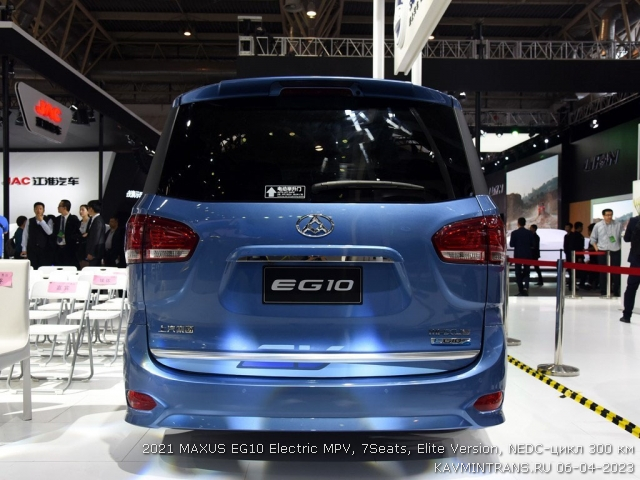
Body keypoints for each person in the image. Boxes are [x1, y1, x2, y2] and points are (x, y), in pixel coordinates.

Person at [590, 208, 622, 296]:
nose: (609, 217)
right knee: (603, 272)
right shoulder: (598, 225)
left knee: (616, 272)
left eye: (611, 215)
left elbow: (621, 238)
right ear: (603, 216)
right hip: (602, 251)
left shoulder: (618, 224)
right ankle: (603, 291)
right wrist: (596, 248)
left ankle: (616, 291)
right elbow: (593, 239)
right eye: (607, 215)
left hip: (615, 250)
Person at [21, 202, 54, 269]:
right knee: (33, 268)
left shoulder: (48, 220)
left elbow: (49, 232)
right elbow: (25, 235)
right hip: (32, 249)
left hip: (45, 249)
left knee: (44, 268)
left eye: (40, 209)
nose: (38, 210)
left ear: (43, 210)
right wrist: (24, 248)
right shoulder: (29, 221)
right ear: (34, 210)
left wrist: (42, 221)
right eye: (36, 209)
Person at [621, 213, 640, 323]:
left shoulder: (633, 220)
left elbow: (626, 239)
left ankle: (627, 316)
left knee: (631, 288)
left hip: (636, 260)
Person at [510, 217, 534, 296]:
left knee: (518, 272)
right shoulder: (529, 233)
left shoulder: (514, 233)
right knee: (527, 272)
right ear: (525, 223)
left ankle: (521, 290)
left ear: (518, 223)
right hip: (527, 255)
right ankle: (526, 288)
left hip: (518, 255)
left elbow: (511, 244)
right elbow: (532, 244)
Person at [53, 199, 81, 267]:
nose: (58, 208)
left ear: (65, 208)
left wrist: (67, 236)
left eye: (59, 206)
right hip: (58, 248)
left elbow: (77, 233)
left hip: (69, 248)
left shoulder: (73, 219)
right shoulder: (57, 219)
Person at [83, 200, 106, 268]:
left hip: (95, 253)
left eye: (88, 208)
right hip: (94, 252)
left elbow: (96, 238)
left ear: (91, 209)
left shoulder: (97, 221)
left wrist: (91, 253)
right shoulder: (95, 219)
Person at [565, 221, 586, 289]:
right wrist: (579, 256)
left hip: (572, 256)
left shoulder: (572, 235)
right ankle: (575, 285)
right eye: (582, 227)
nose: (582, 229)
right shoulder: (578, 236)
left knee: (573, 271)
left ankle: (572, 285)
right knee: (579, 271)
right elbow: (578, 247)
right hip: (577, 256)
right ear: (579, 227)